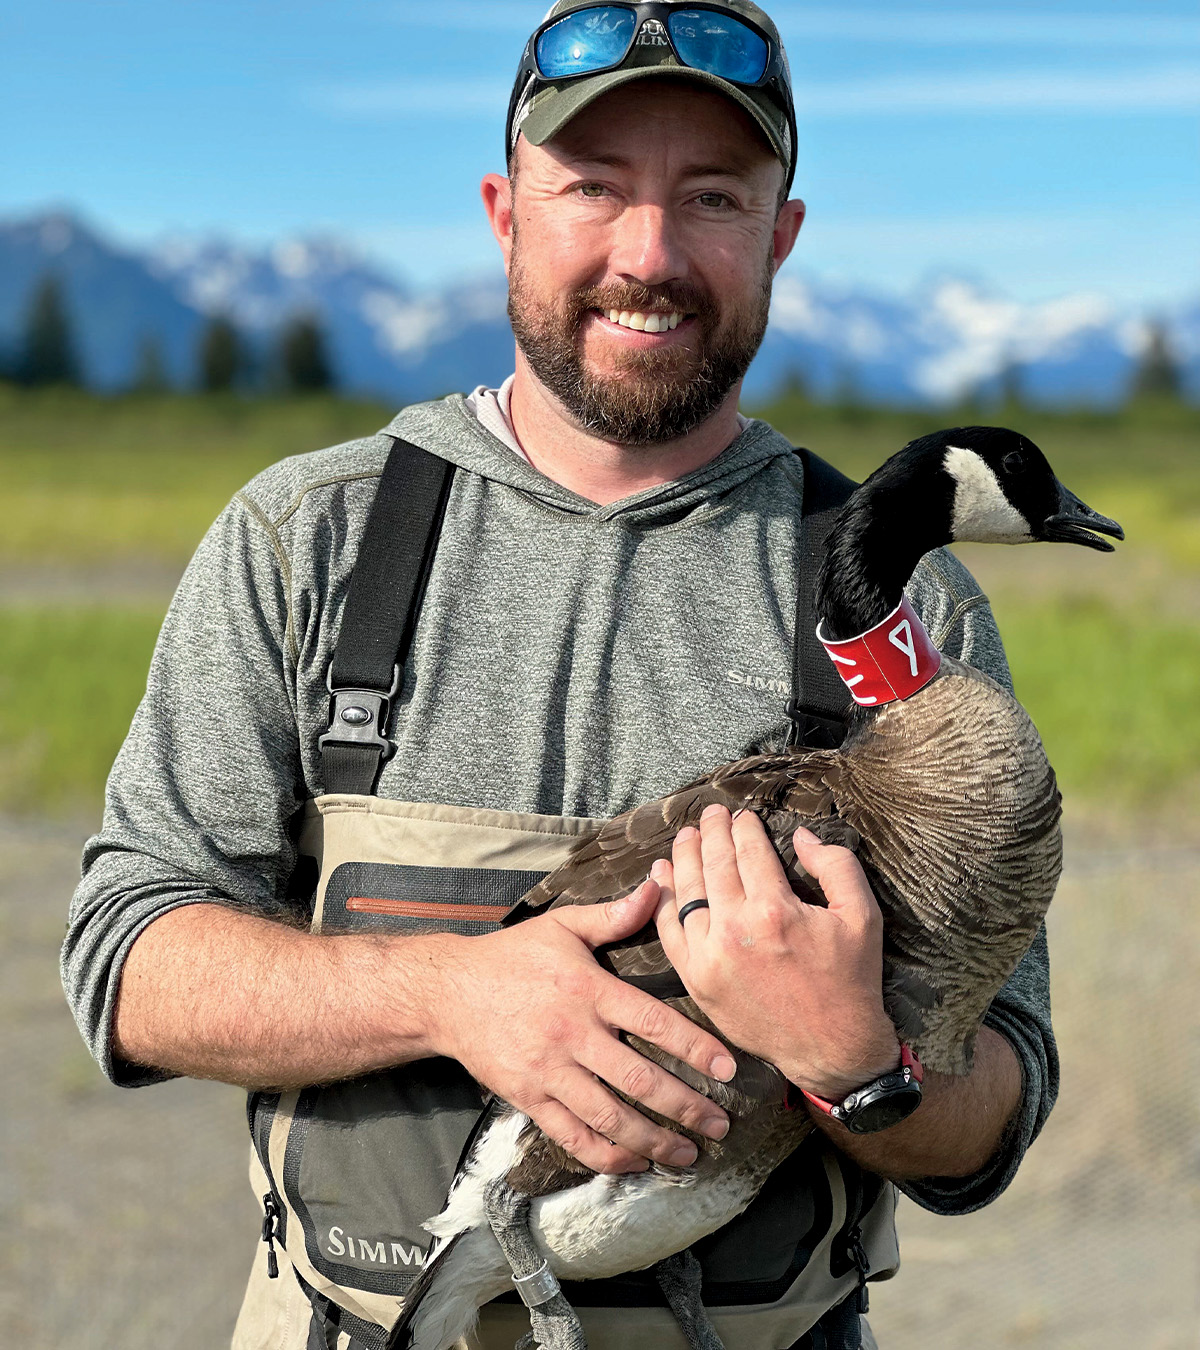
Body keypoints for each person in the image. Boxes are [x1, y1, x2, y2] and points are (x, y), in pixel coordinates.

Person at [62, 3, 1057, 1347]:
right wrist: (450, 988)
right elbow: (126, 963)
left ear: (783, 233)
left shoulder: (902, 612)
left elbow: (999, 1101)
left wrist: (859, 1065)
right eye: (592, 186)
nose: (648, 253)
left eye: (712, 196)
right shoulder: (311, 538)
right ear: (503, 211)